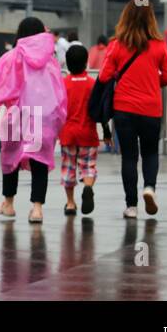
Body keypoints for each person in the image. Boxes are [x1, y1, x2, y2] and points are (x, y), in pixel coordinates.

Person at [0, 17, 68, 224]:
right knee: (40, 161)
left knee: (10, 159)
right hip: (44, 119)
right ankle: (37, 209)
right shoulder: (50, 62)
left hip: (17, 117)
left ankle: (8, 204)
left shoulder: (11, 57)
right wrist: (59, 122)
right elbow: (59, 94)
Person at [98, 2, 167, 219]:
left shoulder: (116, 45)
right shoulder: (159, 46)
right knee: (150, 152)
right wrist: (152, 79)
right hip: (151, 109)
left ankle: (131, 206)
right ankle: (149, 187)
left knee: (129, 157)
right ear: (151, 19)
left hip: (124, 109)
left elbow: (104, 76)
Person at [59, 43, 99, 216]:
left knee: (69, 168)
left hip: (68, 133)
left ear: (67, 64)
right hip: (88, 133)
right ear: (86, 63)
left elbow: (58, 110)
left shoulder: (63, 84)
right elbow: (98, 109)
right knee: (88, 166)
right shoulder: (92, 84)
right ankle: (88, 187)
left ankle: (70, 203)